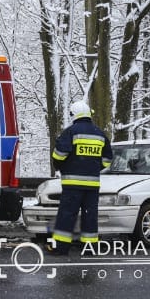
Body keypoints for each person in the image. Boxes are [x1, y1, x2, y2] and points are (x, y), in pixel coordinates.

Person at [48, 100, 112, 255]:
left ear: (74, 114)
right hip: (92, 186)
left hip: (72, 185)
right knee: (90, 216)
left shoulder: (70, 132)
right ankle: (89, 248)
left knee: (67, 215)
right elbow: (107, 160)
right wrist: (93, 168)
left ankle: (61, 248)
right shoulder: (100, 134)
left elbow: (58, 155)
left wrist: (61, 167)